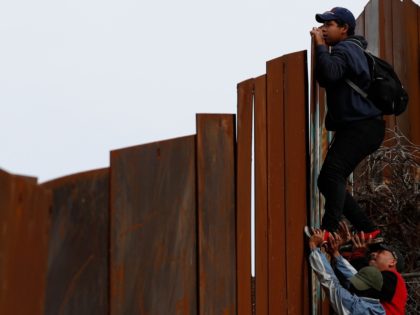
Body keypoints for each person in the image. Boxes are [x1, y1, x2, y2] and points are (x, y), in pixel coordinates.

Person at [308, 7, 385, 241]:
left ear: (344, 29)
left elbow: (329, 74)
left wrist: (320, 46)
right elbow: (329, 76)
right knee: (327, 179)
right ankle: (367, 228)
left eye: (329, 24)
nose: (323, 28)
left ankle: (328, 231)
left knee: (332, 174)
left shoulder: (344, 49)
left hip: (362, 126)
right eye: (323, 24)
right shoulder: (352, 49)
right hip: (363, 127)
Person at [328, 223, 408, 315]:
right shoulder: (386, 283)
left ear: (392, 262)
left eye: (380, 252)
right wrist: (345, 245)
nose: (373, 254)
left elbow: (358, 284)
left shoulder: (394, 279)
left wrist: (357, 254)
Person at [308, 229, 385, 315]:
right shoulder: (376, 307)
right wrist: (335, 253)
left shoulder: (359, 309)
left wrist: (314, 246)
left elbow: (331, 284)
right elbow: (355, 276)